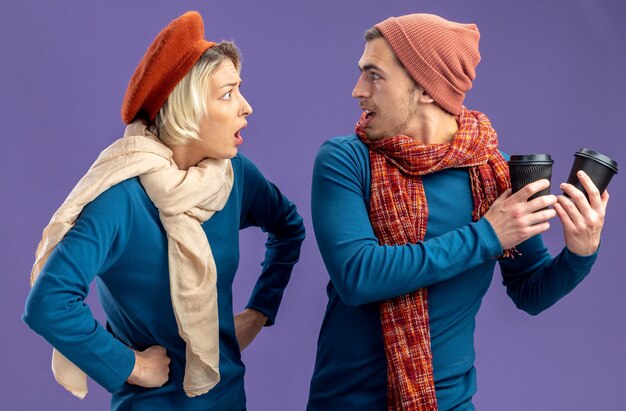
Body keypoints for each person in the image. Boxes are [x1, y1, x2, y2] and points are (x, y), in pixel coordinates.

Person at [308, 13, 608, 411]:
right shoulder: (345, 159)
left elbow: (530, 291)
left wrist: (581, 253)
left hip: (449, 403)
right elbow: (358, 275)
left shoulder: (492, 173)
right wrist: (486, 236)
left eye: (374, 75)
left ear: (428, 87)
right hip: (346, 403)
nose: (357, 90)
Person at [23, 11, 305, 411]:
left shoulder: (232, 176)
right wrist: (131, 366)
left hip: (229, 400)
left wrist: (260, 309)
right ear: (187, 110)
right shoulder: (120, 199)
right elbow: (48, 303)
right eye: (227, 94)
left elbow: (288, 227)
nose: (246, 107)